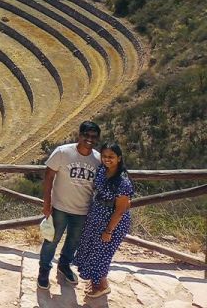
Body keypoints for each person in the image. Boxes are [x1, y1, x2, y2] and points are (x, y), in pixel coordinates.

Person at [37, 121, 102, 290]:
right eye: (86, 135)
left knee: (73, 241)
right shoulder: (63, 152)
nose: (89, 139)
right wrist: (47, 203)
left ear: (97, 139)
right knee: (51, 240)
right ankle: (44, 270)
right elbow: (49, 177)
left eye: (93, 137)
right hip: (59, 207)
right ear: (79, 135)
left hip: (82, 210)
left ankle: (64, 265)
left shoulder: (98, 159)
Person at [72, 142, 134, 299]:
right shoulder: (102, 171)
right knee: (92, 249)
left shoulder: (123, 182)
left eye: (111, 157)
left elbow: (120, 210)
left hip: (112, 223)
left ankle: (103, 286)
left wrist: (108, 231)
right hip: (96, 216)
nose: (107, 159)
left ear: (119, 158)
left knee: (102, 253)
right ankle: (96, 281)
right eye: (104, 156)